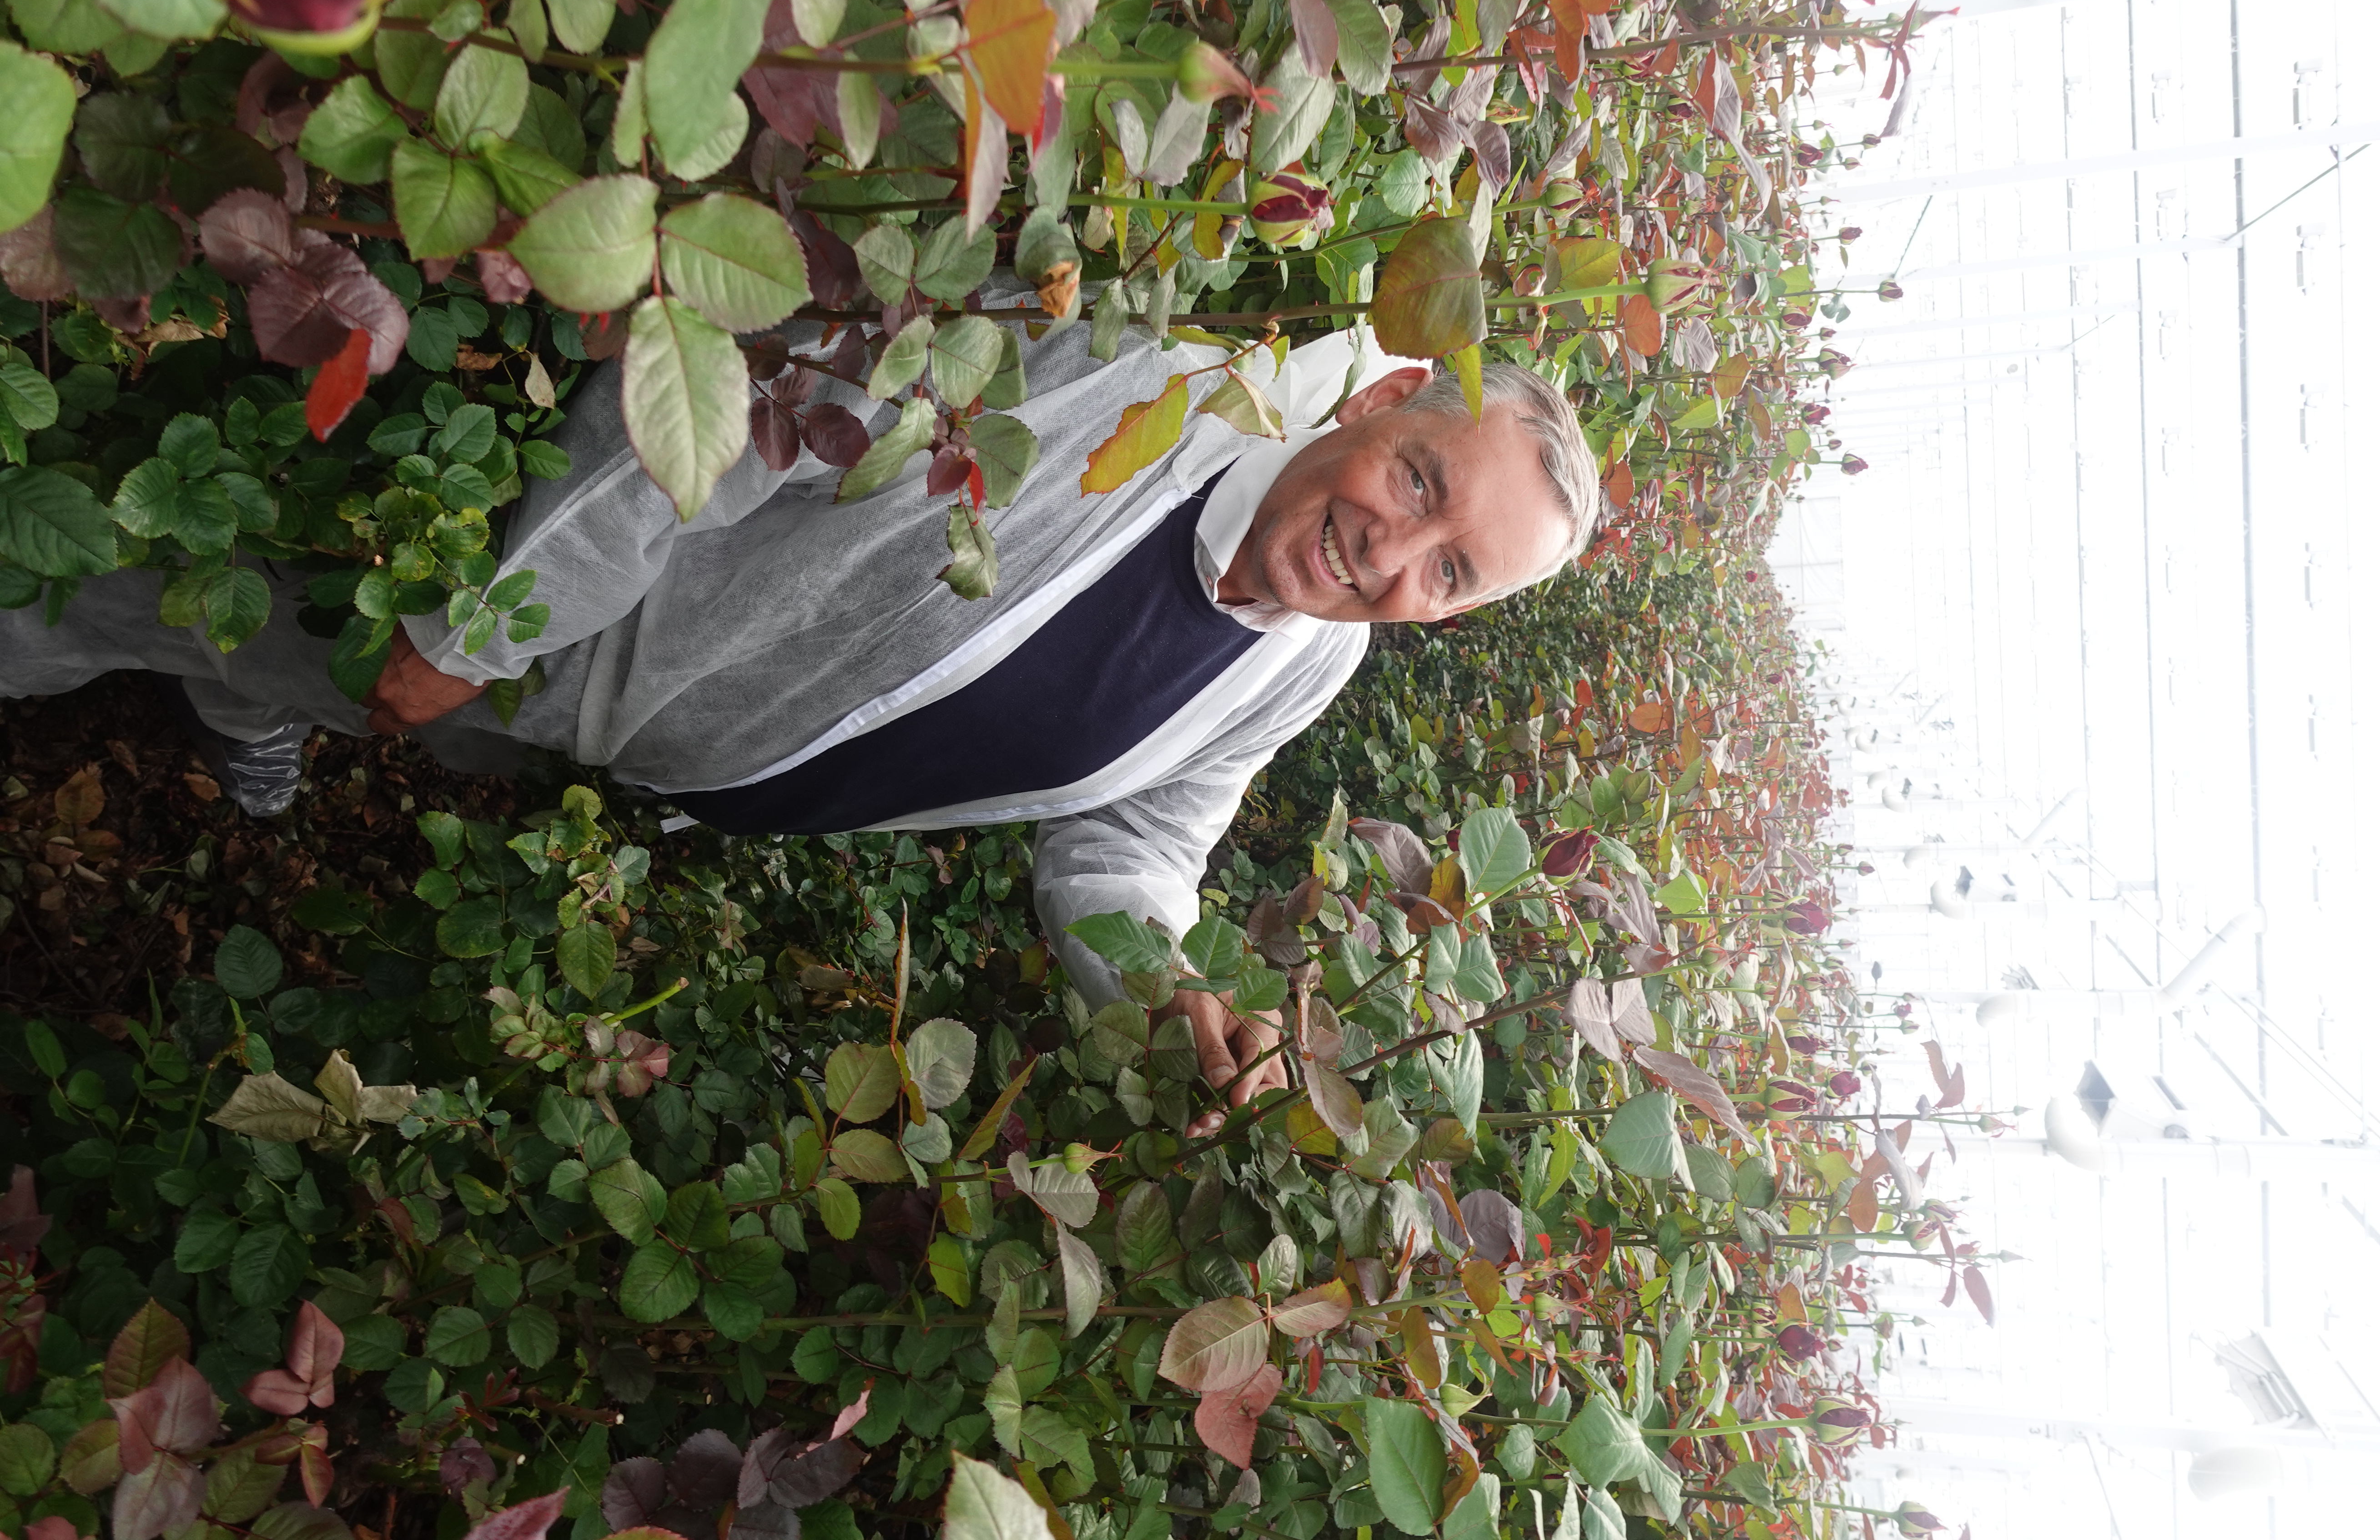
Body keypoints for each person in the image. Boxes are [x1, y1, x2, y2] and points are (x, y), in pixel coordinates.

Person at [0, 314, 1598, 1128]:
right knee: (128, 596)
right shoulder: (1129, 382)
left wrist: (1163, 994)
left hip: (628, 755)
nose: (1392, 553)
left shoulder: (1309, 667)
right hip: (563, 636)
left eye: (1451, 572)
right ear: (1381, 401)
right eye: (1418, 482)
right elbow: (768, 401)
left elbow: (1137, 839)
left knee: (348, 703)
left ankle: (245, 713)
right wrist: (490, 615)